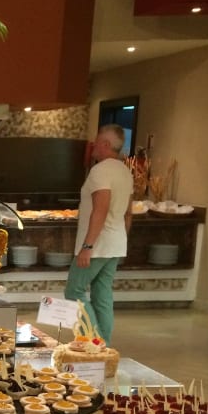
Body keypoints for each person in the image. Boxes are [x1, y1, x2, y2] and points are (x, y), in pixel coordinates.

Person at [64, 124, 134, 344]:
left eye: (97, 141)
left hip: (97, 244)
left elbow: (100, 209)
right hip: (115, 243)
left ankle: (95, 344)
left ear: (105, 144)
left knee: (74, 292)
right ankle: (105, 348)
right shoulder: (125, 171)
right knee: (102, 295)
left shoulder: (100, 171)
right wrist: (121, 240)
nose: (93, 145)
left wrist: (87, 246)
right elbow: (128, 213)